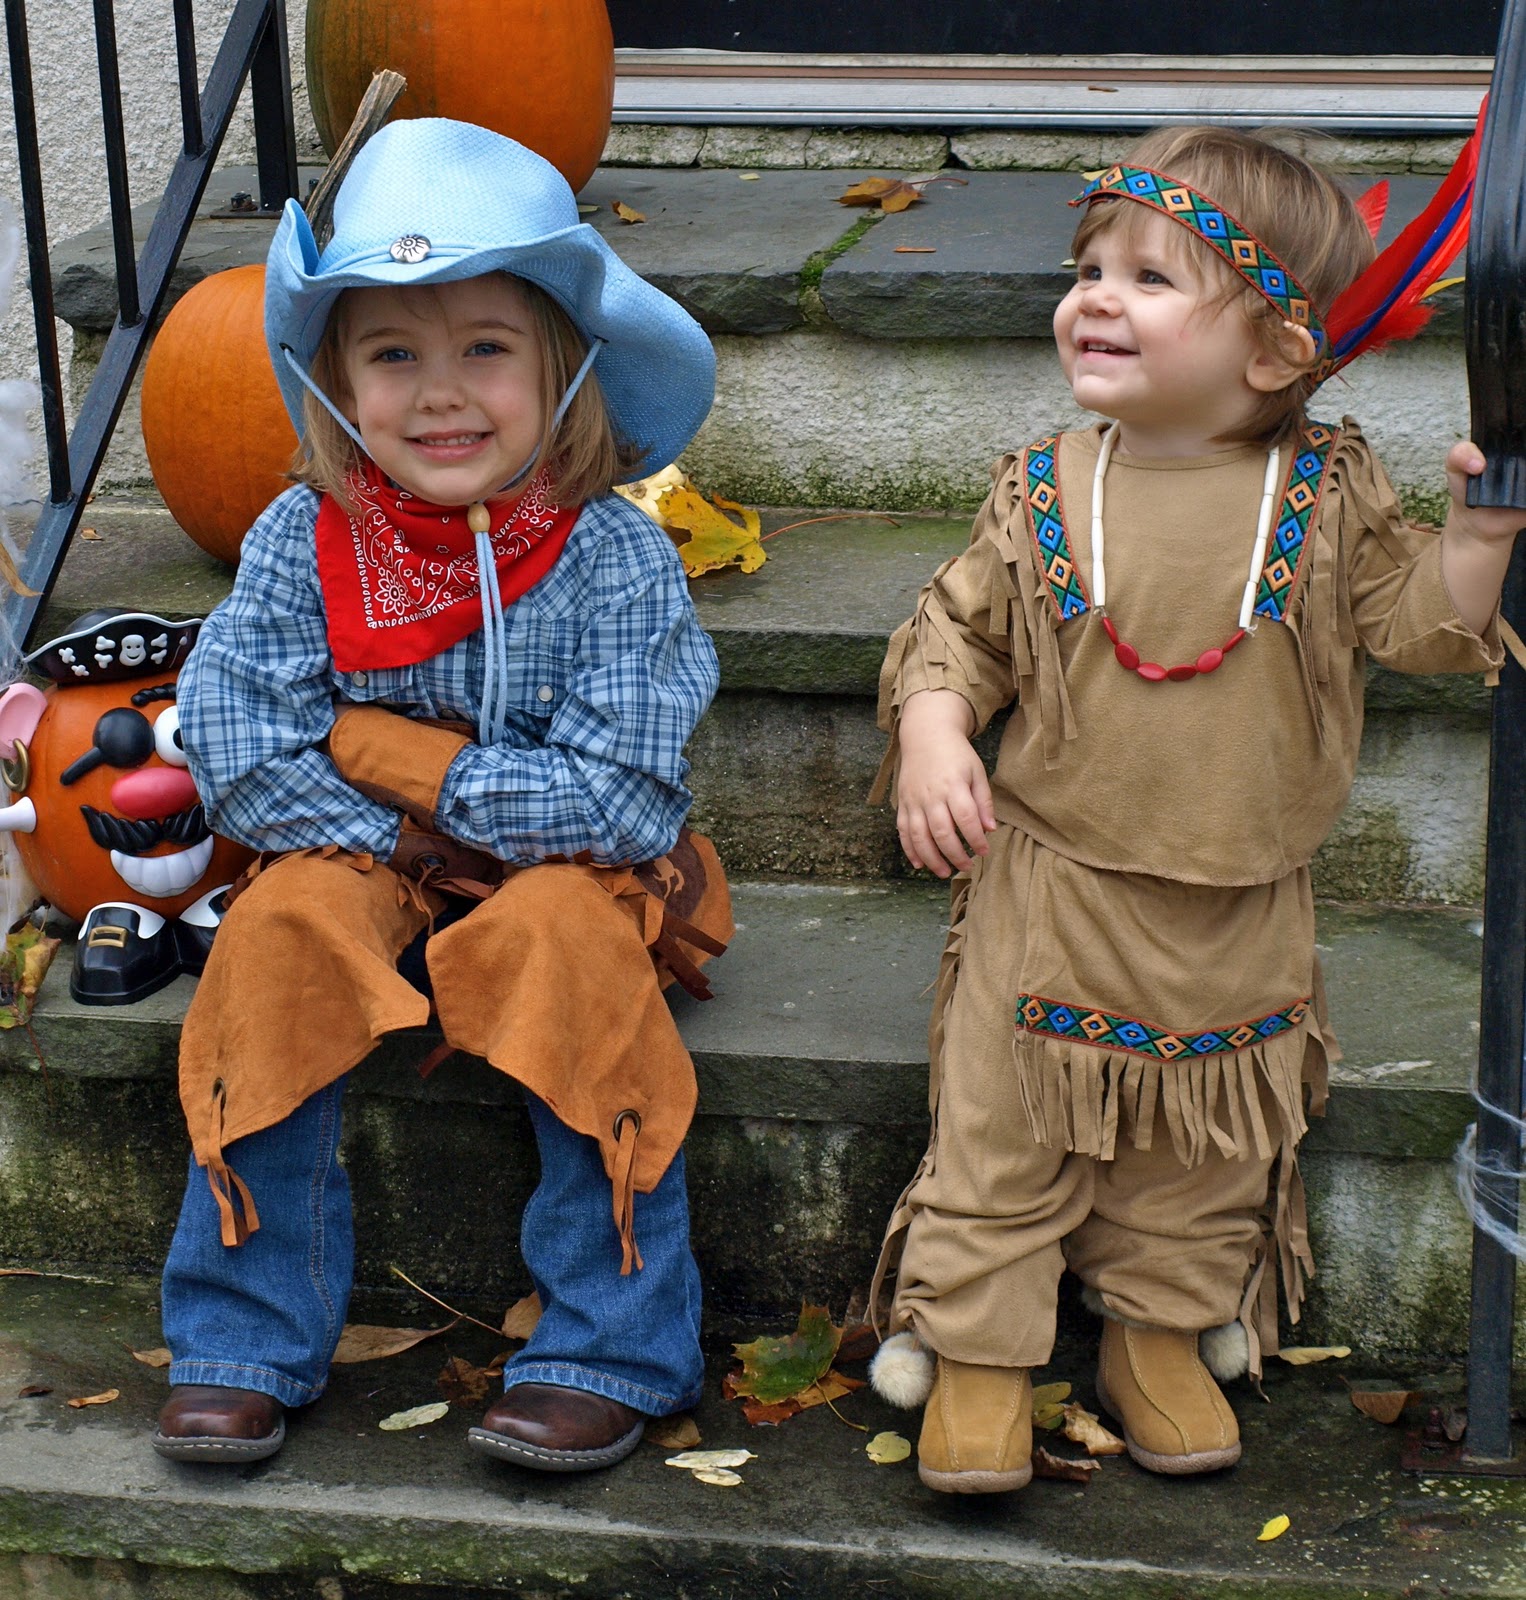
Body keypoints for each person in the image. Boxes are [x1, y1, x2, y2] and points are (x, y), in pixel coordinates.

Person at [865, 124, 1525, 1494]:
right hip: (1052, 885)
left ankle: (1157, 1335)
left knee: (1201, 1147)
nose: (1094, 294)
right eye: (1088, 265)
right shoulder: (1043, 489)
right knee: (1004, 1132)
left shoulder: (1321, 492)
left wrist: (1468, 549)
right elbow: (956, 630)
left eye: (1151, 278)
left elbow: (1414, 627)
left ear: (1277, 350)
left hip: (1238, 897)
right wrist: (935, 732)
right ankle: (981, 1352)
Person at [150, 117, 732, 1474]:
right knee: (280, 934)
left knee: (567, 941)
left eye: (485, 347)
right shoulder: (303, 538)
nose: (439, 392)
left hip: (568, 876)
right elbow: (239, 749)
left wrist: (397, 756)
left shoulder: (614, 561)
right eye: (393, 353)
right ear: (338, 381)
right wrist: (402, 825)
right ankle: (242, 1329)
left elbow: (626, 804)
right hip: (361, 856)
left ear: (563, 367)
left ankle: (611, 1339)